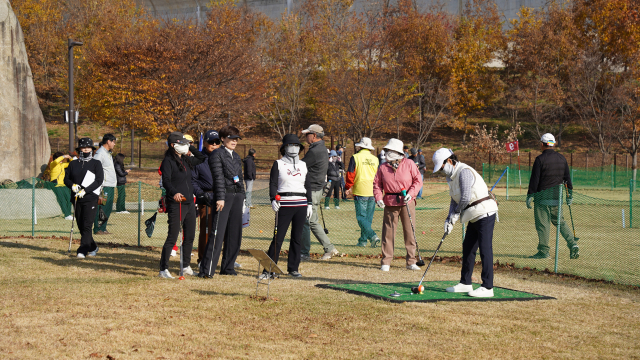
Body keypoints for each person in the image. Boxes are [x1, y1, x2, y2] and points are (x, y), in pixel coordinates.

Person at [432, 148, 498, 297]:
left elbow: (466, 197)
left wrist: (455, 214)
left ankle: (488, 287)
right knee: (468, 247)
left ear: (449, 161)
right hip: (473, 214)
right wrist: (449, 218)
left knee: (485, 248)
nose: (442, 171)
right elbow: (454, 200)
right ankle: (465, 283)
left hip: (485, 211)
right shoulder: (451, 178)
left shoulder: (464, 172)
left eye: (442, 168)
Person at [198, 125, 246, 278]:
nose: (234, 141)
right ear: (223, 139)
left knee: (235, 233)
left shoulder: (236, 156)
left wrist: (243, 198)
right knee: (217, 234)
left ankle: (228, 267)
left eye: (236, 139)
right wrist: (220, 197)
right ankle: (207, 270)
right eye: (231, 138)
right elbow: (218, 177)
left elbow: (240, 178)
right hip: (224, 196)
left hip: (237, 196)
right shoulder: (217, 154)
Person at [262, 134, 312, 278]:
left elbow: (307, 185)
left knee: (297, 238)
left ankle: (293, 268)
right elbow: (272, 183)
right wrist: (273, 199)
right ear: (285, 147)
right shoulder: (278, 163)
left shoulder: (303, 165)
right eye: (291, 145)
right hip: (284, 203)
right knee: (278, 238)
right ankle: (269, 269)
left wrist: (309, 203)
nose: (294, 148)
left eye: (296, 145)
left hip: (301, 204)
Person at [158, 132, 206, 278]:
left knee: (190, 235)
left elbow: (202, 158)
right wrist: (174, 193)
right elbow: (166, 181)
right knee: (172, 236)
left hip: (190, 202)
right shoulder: (168, 161)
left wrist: (191, 148)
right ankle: (163, 269)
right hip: (177, 202)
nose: (185, 146)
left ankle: (185, 266)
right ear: (173, 145)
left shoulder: (186, 159)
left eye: (187, 143)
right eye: (182, 144)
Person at [373, 138, 423, 271]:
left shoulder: (409, 164)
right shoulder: (383, 167)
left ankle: (411, 261)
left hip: (407, 201)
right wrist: (378, 198)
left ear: (397, 152)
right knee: (388, 233)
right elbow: (377, 184)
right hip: (390, 202)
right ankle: (386, 261)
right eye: (386, 150)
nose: (387, 152)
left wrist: (411, 194)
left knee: (409, 231)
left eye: (389, 150)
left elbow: (418, 181)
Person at [527, 133, 579, 259]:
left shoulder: (540, 159)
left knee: (543, 225)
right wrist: (569, 195)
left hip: (542, 198)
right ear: (553, 144)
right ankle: (573, 244)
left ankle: (544, 251)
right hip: (557, 197)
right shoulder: (562, 159)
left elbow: (535, 180)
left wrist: (530, 195)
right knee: (560, 222)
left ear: (542, 144)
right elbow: (567, 179)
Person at [300, 124, 339, 261]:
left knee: (308, 221)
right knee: (311, 221)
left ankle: (305, 253)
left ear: (314, 135)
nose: (306, 137)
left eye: (307, 134)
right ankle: (329, 248)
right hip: (316, 189)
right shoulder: (320, 148)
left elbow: (300, 166)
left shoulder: (315, 151)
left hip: (312, 190)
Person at [64, 138, 104, 258]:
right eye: (83, 148)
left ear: (92, 149)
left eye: (88, 148)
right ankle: (93, 246)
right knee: (81, 225)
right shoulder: (73, 163)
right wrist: (73, 186)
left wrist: (85, 190)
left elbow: (99, 180)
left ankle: (83, 249)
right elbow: (66, 179)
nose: (86, 150)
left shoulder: (96, 163)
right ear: (79, 149)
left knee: (87, 225)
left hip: (90, 197)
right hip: (76, 198)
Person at [345, 137, 381, 247]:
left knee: (361, 217)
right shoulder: (375, 159)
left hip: (360, 190)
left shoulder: (355, 157)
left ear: (360, 146)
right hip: (373, 191)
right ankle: (363, 241)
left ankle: (373, 236)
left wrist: (347, 186)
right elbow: (379, 176)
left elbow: (351, 174)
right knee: (367, 219)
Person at [192, 130, 221, 266]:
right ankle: (203, 259)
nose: (214, 145)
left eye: (217, 142)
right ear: (205, 143)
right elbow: (192, 180)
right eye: (211, 142)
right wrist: (200, 194)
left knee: (223, 230)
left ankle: (222, 258)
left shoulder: (222, 157)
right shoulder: (198, 159)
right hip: (207, 197)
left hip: (223, 196)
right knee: (206, 229)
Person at [93, 134, 117, 235]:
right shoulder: (100, 154)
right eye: (113, 142)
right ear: (108, 141)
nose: (114, 144)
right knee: (101, 207)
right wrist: (99, 184)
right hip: (104, 186)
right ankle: (97, 229)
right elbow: (95, 169)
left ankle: (103, 228)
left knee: (107, 207)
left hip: (110, 185)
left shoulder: (107, 153)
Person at [47, 152, 73, 220]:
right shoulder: (53, 164)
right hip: (56, 185)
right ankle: (67, 215)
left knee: (69, 199)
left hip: (63, 184)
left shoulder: (62, 165)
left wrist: (70, 158)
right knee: (62, 200)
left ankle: (69, 214)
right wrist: (64, 156)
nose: (62, 159)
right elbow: (56, 161)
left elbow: (72, 164)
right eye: (60, 158)